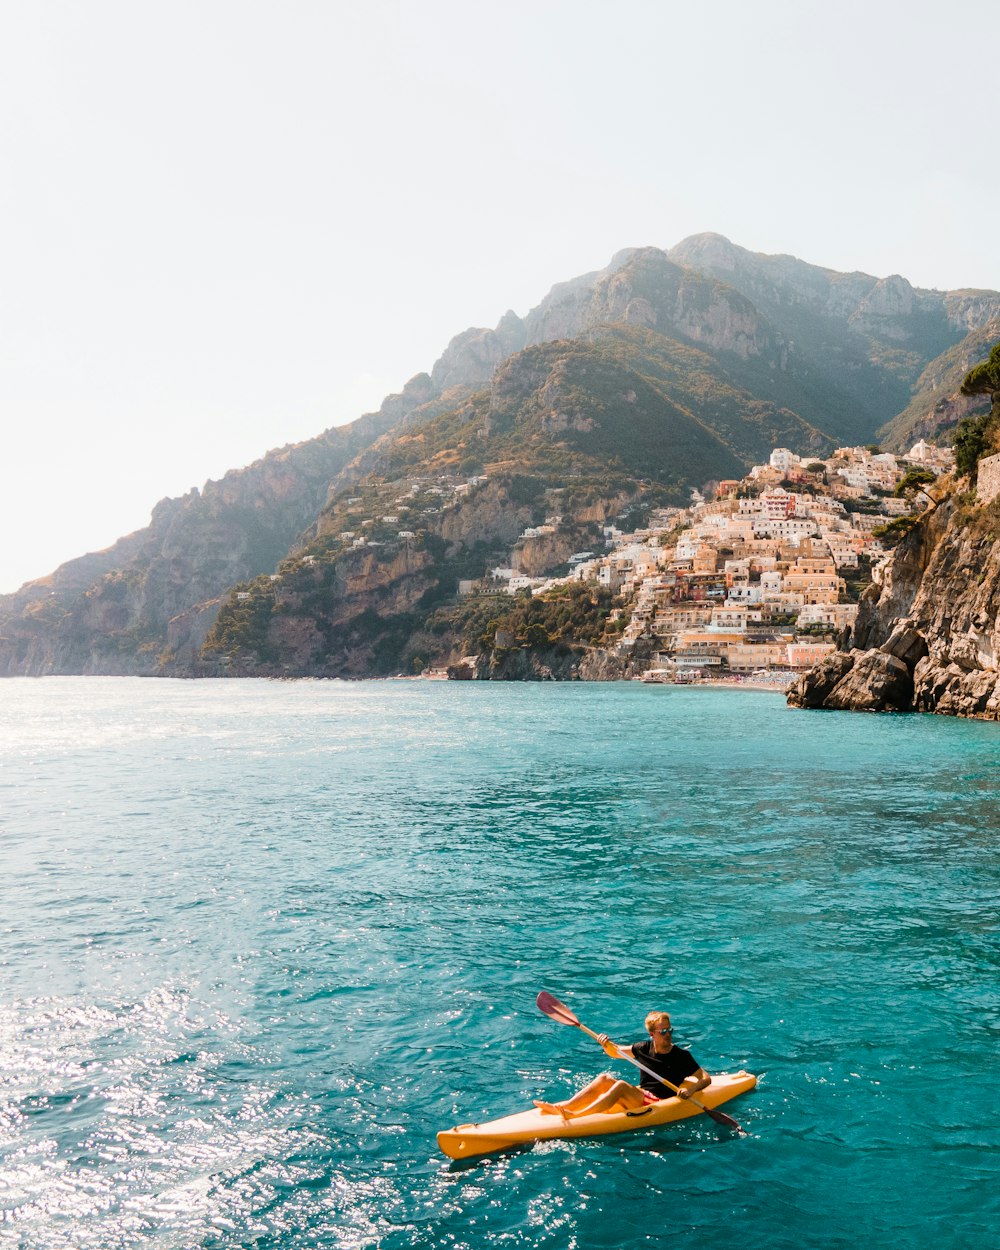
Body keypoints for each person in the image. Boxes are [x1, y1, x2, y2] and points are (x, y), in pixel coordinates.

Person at [534, 1010, 711, 1120]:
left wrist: (691, 1089)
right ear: (652, 1034)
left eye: (669, 1030)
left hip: (658, 1101)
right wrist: (605, 1044)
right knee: (604, 1079)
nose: (668, 1034)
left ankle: (578, 1116)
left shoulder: (681, 1056)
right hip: (642, 1094)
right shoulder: (642, 1048)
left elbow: (705, 1078)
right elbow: (615, 1052)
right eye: (663, 1031)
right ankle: (565, 1108)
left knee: (620, 1086)